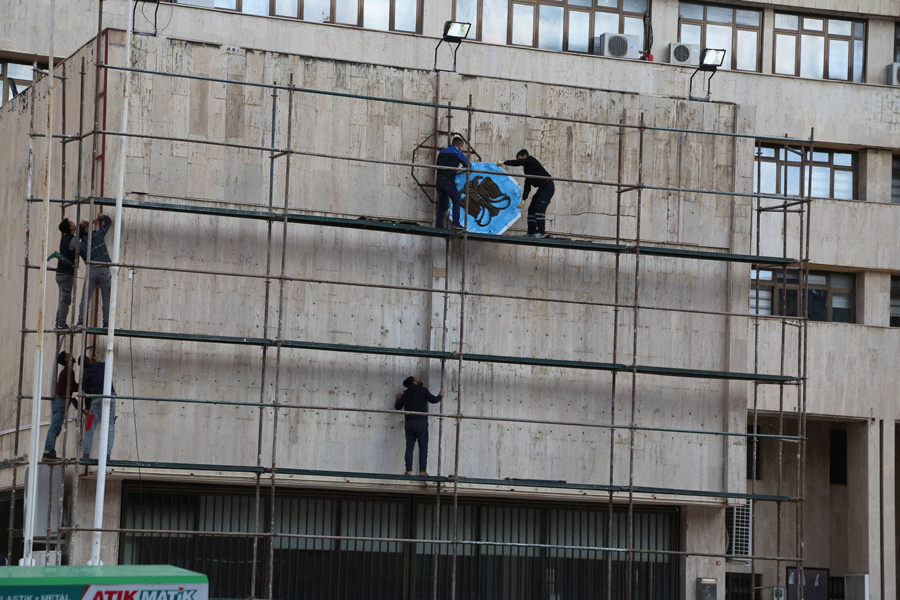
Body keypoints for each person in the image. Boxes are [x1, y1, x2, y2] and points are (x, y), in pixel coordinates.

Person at [394, 376, 444, 476]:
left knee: (409, 448)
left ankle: (408, 470)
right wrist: (440, 396)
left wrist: (398, 399)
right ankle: (422, 471)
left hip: (409, 423)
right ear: (414, 382)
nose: (419, 380)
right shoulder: (422, 390)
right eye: (417, 379)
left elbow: (397, 407)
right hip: (421, 422)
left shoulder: (406, 394)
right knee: (423, 448)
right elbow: (433, 400)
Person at [501, 149, 555, 238]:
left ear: (525, 156)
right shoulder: (527, 170)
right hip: (542, 188)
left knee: (539, 207)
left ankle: (541, 232)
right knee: (531, 209)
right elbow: (527, 184)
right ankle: (531, 232)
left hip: (548, 186)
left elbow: (518, 163)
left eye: (520, 159)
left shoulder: (531, 160)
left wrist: (504, 162)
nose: (519, 161)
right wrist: (524, 198)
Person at [74, 213, 113, 328]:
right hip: (104, 270)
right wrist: (100, 217)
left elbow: (85, 260)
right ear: (86, 230)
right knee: (106, 299)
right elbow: (108, 221)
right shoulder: (98, 235)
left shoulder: (81, 246)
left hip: (91, 271)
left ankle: (81, 322)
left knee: (85, 298)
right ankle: (106, 324)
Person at [42, 351, 78, 462]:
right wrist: (83, 384)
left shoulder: (65, 372)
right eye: (68, 355)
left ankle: (50, 451)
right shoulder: (68, 371)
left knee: (56, 428)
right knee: (54, 428)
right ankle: (48, 452)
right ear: (66, 360)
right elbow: (73, 386)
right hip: (61, 402)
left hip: (60, 402)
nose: (71, 355)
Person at [80, 354, 117, 460]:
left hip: (95, 402)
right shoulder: (101, 365)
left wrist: (87, 408)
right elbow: (106, 366)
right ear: (90, 360)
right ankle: (107, 454)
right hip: (110, 399)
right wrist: (96, 361)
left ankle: (86, 454)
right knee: (110, 426)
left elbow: (87, 393)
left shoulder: (86, 374)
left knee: (90, 427)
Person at [434, 137, 470, 229]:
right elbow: (468, 165)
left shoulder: (441, 152)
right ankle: (455, 223)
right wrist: (458, 171)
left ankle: (439, 225)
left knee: (442, 203)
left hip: (439, 181)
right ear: (459, 145)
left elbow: (437, 166)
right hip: (448, 181)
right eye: (461, 146)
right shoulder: (457, 152)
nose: (461, 148)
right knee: (456, 199)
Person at [53, 218, 78, 330]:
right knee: (65, 300)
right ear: (70, 227)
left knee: (62, 299)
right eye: (71, 222)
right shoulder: (72, 239)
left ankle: (58, 323)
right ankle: (60, 324)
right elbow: (81, 249)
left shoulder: (64, 238)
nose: (74, 223)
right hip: (66, 274)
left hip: (60, 273)